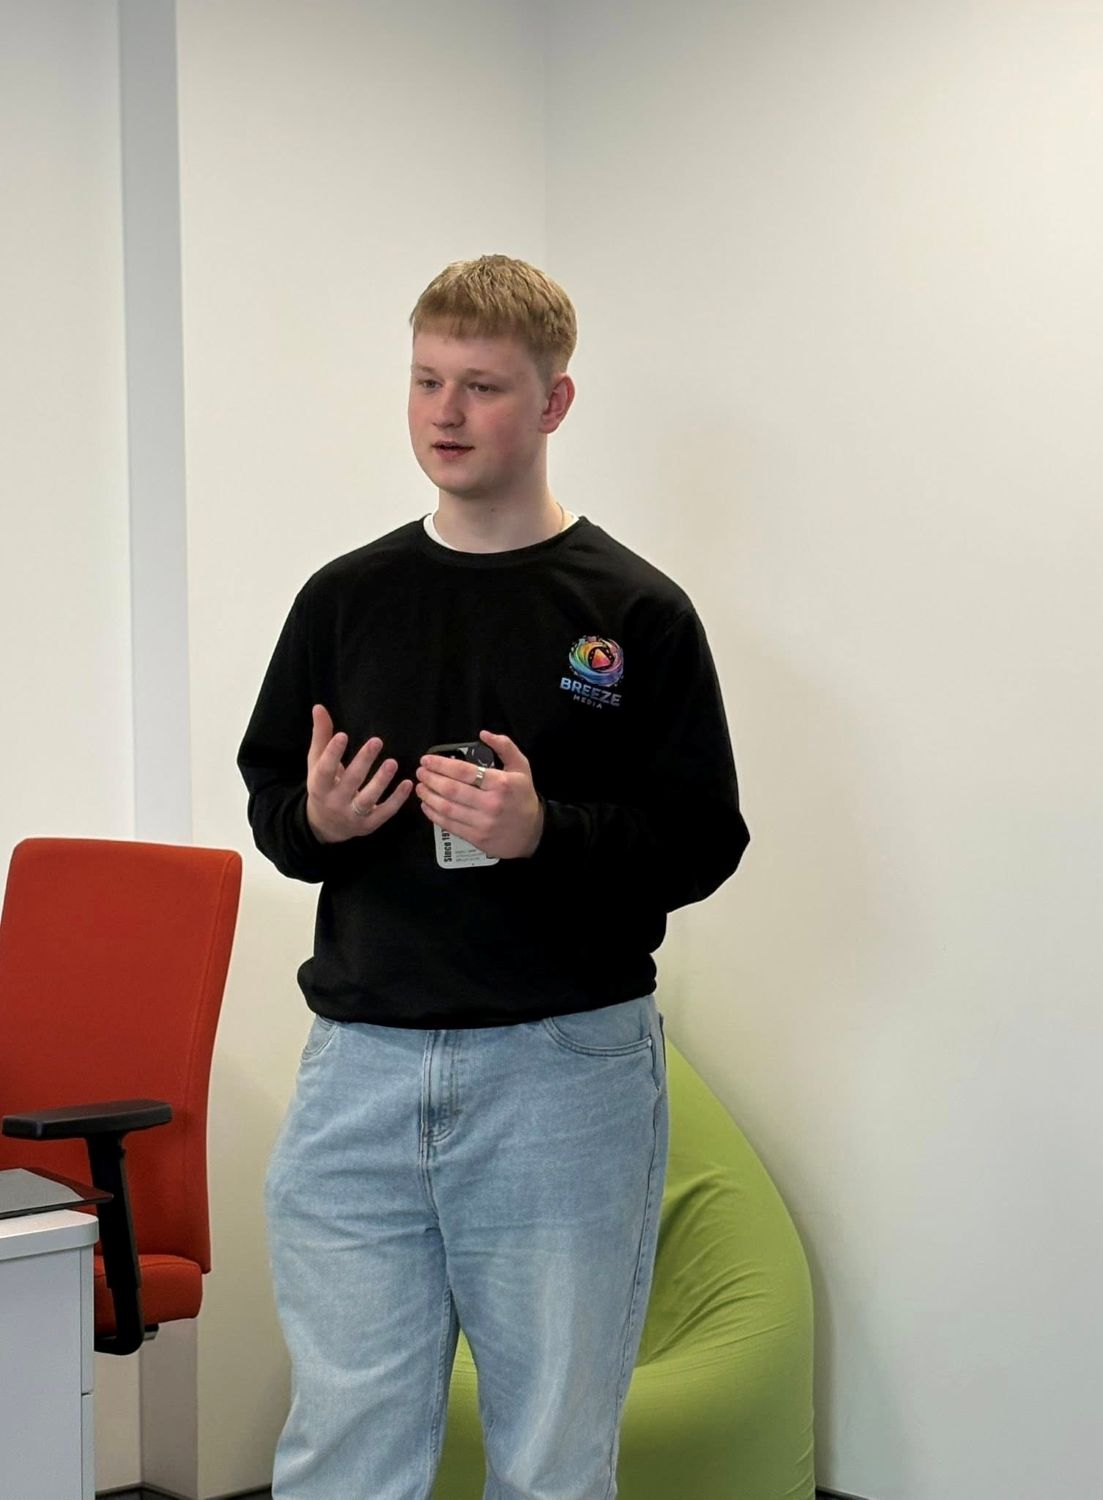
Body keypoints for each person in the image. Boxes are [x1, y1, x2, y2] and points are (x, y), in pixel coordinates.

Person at [237, 254, 750, 1500]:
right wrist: (317, 819)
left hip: (560, 1074)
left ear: (554, 403)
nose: (445, 413)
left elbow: (703, 841)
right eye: (426, 381)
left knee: (551, 1456)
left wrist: (544, 833)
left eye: (481, 385)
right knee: (343, 1448)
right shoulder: (344, 599)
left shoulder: (635, 611)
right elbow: (275, 805)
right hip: (360, 1066)